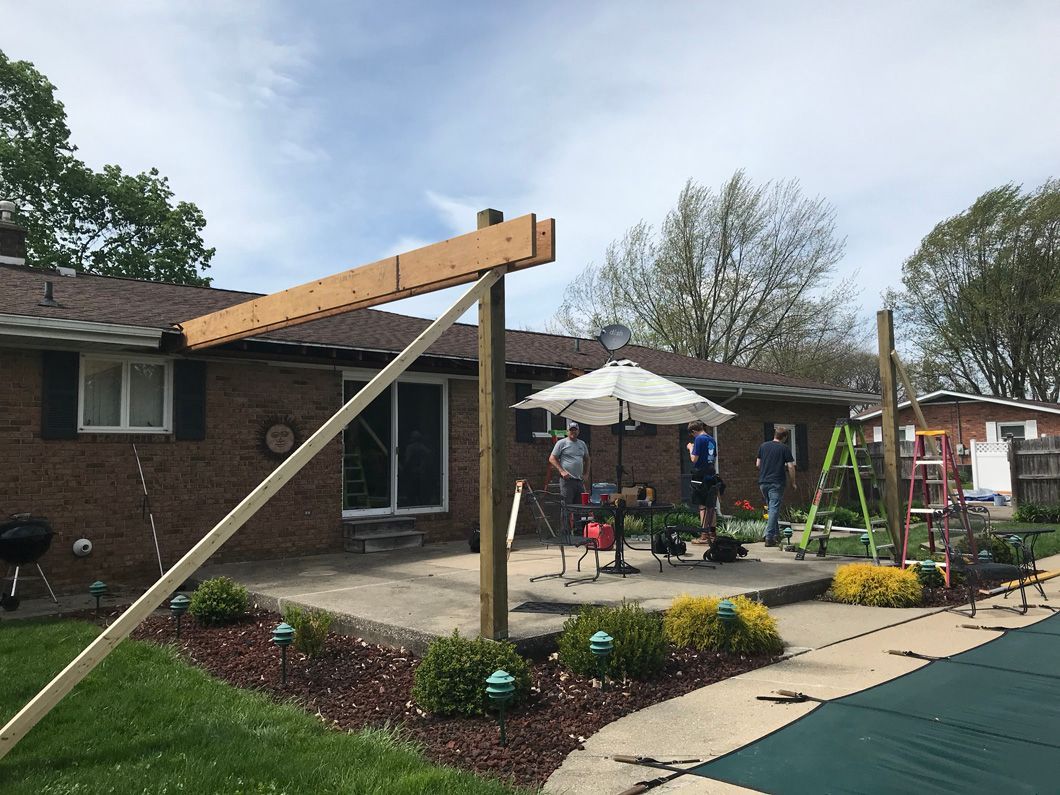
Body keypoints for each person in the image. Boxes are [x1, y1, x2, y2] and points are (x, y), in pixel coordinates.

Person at [757, 428, 796, 546]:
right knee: (774, 509)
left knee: (771, 508)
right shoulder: (784, 448)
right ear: (784, 437)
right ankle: (769, 537)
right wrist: (793, 482)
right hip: (776, 482)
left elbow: (758, 464)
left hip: (763, 482)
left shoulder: (763, 446)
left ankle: (776, 535)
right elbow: (791, 467)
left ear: (775, 434)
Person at [686, 420, 719, 544]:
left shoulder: (699, 439)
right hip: (711, 474)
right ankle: (713, 534)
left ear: (694, 431)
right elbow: (713, 456)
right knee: (711, 505)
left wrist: (691, 448)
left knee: (702, 506)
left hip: (700, 475)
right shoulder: (711, 439)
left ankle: (704, 535)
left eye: (692, 434)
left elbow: (694, 459)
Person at [549, 422, 591, 511]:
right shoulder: (561, 443)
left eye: (575, 430)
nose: (573, 432)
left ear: (578, 431)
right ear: (567, 431)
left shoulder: (582, 444)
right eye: (571, 430)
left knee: (580, 508)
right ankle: (565, 521)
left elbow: (587, 459)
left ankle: (577, 521)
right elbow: (552, 458)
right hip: (567, 481)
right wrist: (562, 471)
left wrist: (586, 474)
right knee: (566, 507)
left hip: (579, 481)